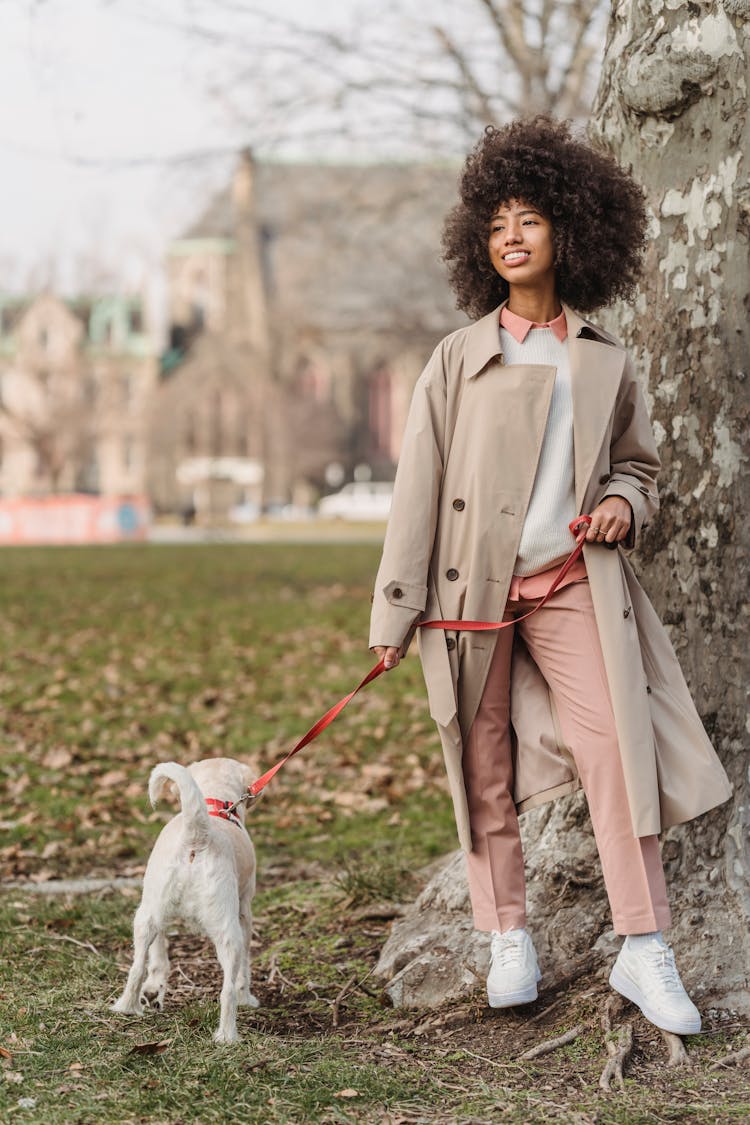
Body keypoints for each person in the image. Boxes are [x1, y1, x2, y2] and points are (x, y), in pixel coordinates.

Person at [369, 117, 732, 1036]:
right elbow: (419, 488)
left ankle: (645, 946)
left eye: (529, 219)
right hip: (470, 593)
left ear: (571, 230)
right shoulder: (457, 357)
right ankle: (506, 935)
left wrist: (623, 504)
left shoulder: (604, 358)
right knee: (480, 763)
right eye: (496, 226)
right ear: (478, 247)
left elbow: (638, 468)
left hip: (573, 580)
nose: (512, 237)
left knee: (618, 753)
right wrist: (396, 609)